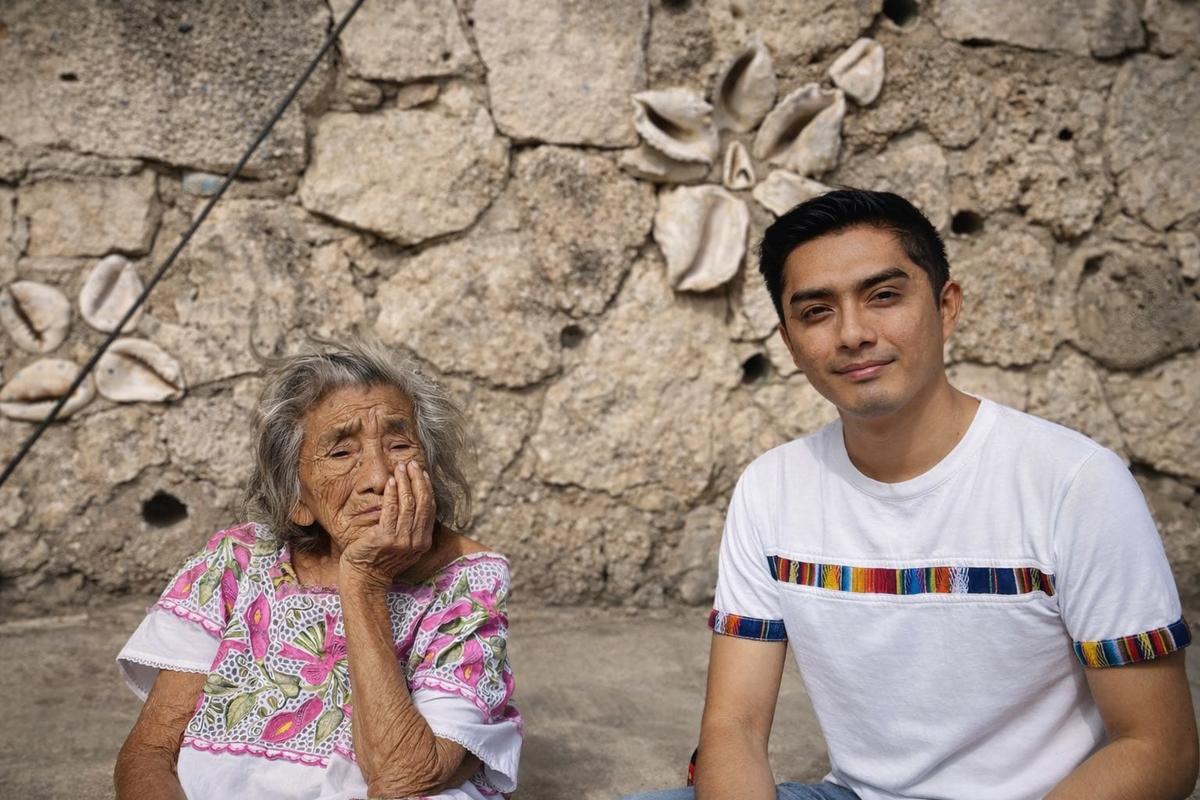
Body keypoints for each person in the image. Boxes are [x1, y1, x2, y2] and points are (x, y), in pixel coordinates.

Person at [627, 190, 1198, 800]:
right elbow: (734, 726)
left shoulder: (1075, 483)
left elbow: (1158, 748)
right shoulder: (771, 489)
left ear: (946, 307)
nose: (852, 334)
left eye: (883, 296)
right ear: (790, 344)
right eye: (817, 311)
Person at [114, 341, 521, 800]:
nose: (379, 477)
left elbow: (405, 777)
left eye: (400, 445)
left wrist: (364, 581)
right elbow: (151, 752)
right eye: (341, 453)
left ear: (429, 469)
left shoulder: (466, 579)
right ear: (297, 498)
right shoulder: (237, 562)